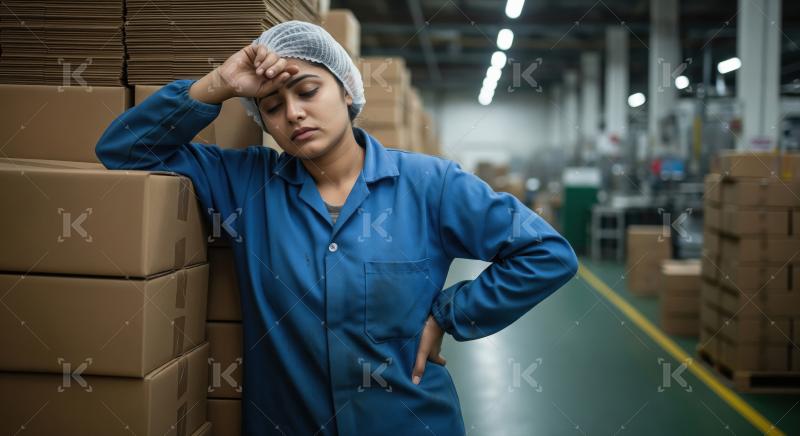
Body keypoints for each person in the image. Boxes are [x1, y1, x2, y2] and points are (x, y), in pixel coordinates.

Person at [95, 20, 578, 436]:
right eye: (272, 106)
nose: (294, 114)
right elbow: (124, 151)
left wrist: (451, 313)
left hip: (409, 423)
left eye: (307, 91)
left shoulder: (431, 185)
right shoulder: (243, 185)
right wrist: (217, 84)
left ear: (347, 90)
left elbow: (547, 253)